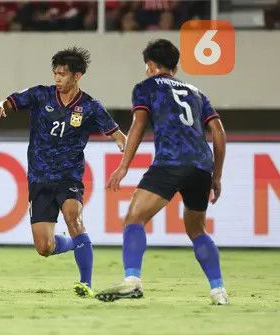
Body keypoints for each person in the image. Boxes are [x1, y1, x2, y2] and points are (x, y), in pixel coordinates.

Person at [95, 39, 228, 305]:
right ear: (175, 66)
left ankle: (132, 281)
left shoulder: (146, 87)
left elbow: (138, 125)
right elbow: (219, 133)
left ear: (150, 65)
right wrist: (216, 175)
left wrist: (123, 166)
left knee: (134, 218)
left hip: (170, 161)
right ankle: (219, 291)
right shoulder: (197, 93)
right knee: (197, 229)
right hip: (201, 165)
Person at [0, 47, 126, 297]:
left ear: (78, 76)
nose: (58, 79)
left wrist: (123, 147)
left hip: (69, 176)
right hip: (39, 178)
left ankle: (85, 283)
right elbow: (10, 102)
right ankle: (74, 242)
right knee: (44, 247)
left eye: (63, 74)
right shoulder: (41, 95)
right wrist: (0, 106)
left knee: (74, 217)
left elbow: (118, 135)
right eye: (55, 73)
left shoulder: (90, 106)